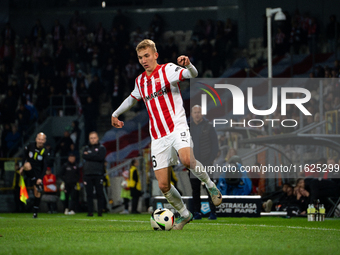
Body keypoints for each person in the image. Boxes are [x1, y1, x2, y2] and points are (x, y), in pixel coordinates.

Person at [111, 39, 222, 230]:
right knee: (163, 185)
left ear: (155, 55)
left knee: (187, 160)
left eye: (147, 55)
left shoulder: (168, 70)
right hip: (158, 136)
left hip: (177, 127)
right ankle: (184, 214)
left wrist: (189, 64)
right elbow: (131, 98)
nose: (144, 60)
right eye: (140, 57)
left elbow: (192, 74)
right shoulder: (140, 81)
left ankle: (210, 185)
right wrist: (115, 113)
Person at [189, 105, 219, 220]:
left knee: (210, 188)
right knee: (195, 190)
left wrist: (210, 160)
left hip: (207, 163)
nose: (197, 114)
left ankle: (213, 212)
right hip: (193, 164)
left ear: (202, 113)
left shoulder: (209, 126)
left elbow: (215, 146)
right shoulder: (188, 127)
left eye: (199, 112)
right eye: (195, 112)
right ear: (192, 114)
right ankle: (197, 212)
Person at [19, 132, 50, 218]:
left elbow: (45, 167)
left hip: (38, 172)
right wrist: (22, 167)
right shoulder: (30, 145)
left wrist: (40, 178)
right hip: (29, 170)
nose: (40, 141)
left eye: (42, 139)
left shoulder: (45, 151)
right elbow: (24, 156)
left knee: (37, 193)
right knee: (27, 165)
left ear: (44, 141)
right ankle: (37, 184)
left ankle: (35, 213)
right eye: (39, 139)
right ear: (36, 139)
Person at [82, 131, 106, 217]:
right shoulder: (85, 148)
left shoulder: (101, 148)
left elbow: (100, 157)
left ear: (97, 138)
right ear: (89, 139)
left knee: (99, 193)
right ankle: (90, 212)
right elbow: (84, 156)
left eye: (94, 138)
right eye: (91, 138)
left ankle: (100, 211)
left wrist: (90, 155)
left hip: (98, 173)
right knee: (89, 194)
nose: (93, 140)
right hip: (88, 174)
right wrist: (94, 155)